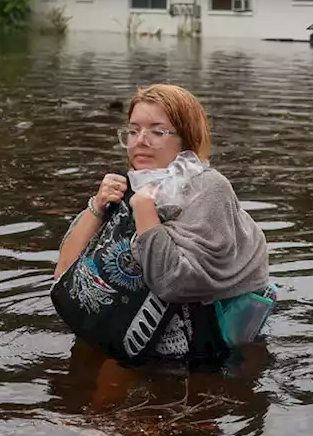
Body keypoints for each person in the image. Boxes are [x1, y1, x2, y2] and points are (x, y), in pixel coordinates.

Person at [52, 83, 271, 364]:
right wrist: (96, 206)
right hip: (123, 338)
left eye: (157, 131)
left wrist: (145, 212)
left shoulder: (208, 189)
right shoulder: (128, 183)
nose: (140, 140)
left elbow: (175, 283)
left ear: (185, 139)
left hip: (195, 356)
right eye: (133, 130)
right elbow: (65, 275)